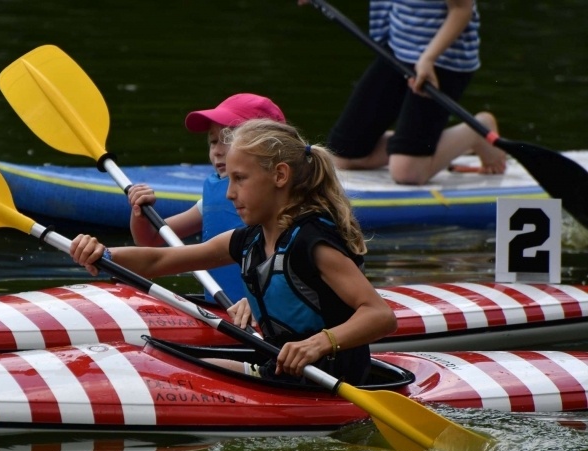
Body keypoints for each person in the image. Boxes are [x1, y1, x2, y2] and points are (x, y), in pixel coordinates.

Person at [71, 119, 398, 385]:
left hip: (332, 382)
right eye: (229, 179)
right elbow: (158, 260)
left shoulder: (312, 244)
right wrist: (103, 254)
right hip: (280, 376)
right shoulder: (248, 241)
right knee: (161, 368)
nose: (229, 194)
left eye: (240, 179)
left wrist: (319, 343)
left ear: (279, 176)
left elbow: (379, 316)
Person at [300, 0, 506, 185]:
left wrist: (428, 58)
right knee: (342, 155)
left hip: (442, 60)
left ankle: (476, 131)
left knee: (407, 173)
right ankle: (415, 144)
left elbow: (462, 9)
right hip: (398, 48)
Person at [126, 93, 286, 305]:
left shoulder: (284, 204)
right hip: (222, 310)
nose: (218, 151)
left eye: (228, 141)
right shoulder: (215, 196)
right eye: (213, 142)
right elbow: (150, 239)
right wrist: (139, 212)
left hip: (264, 316)